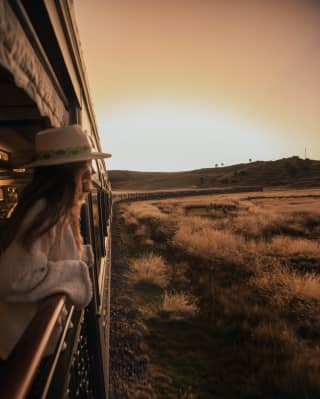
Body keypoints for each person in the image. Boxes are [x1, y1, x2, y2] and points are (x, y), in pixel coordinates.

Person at [0, 124, 111, 359]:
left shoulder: (57, 210)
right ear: (68, 173)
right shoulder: (44, 211)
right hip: (20, 350)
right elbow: (13, 278)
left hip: (27, 345)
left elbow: (50, 255)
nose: (91, 173)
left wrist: (83, 256)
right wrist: (75, 271)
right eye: (85, 168)